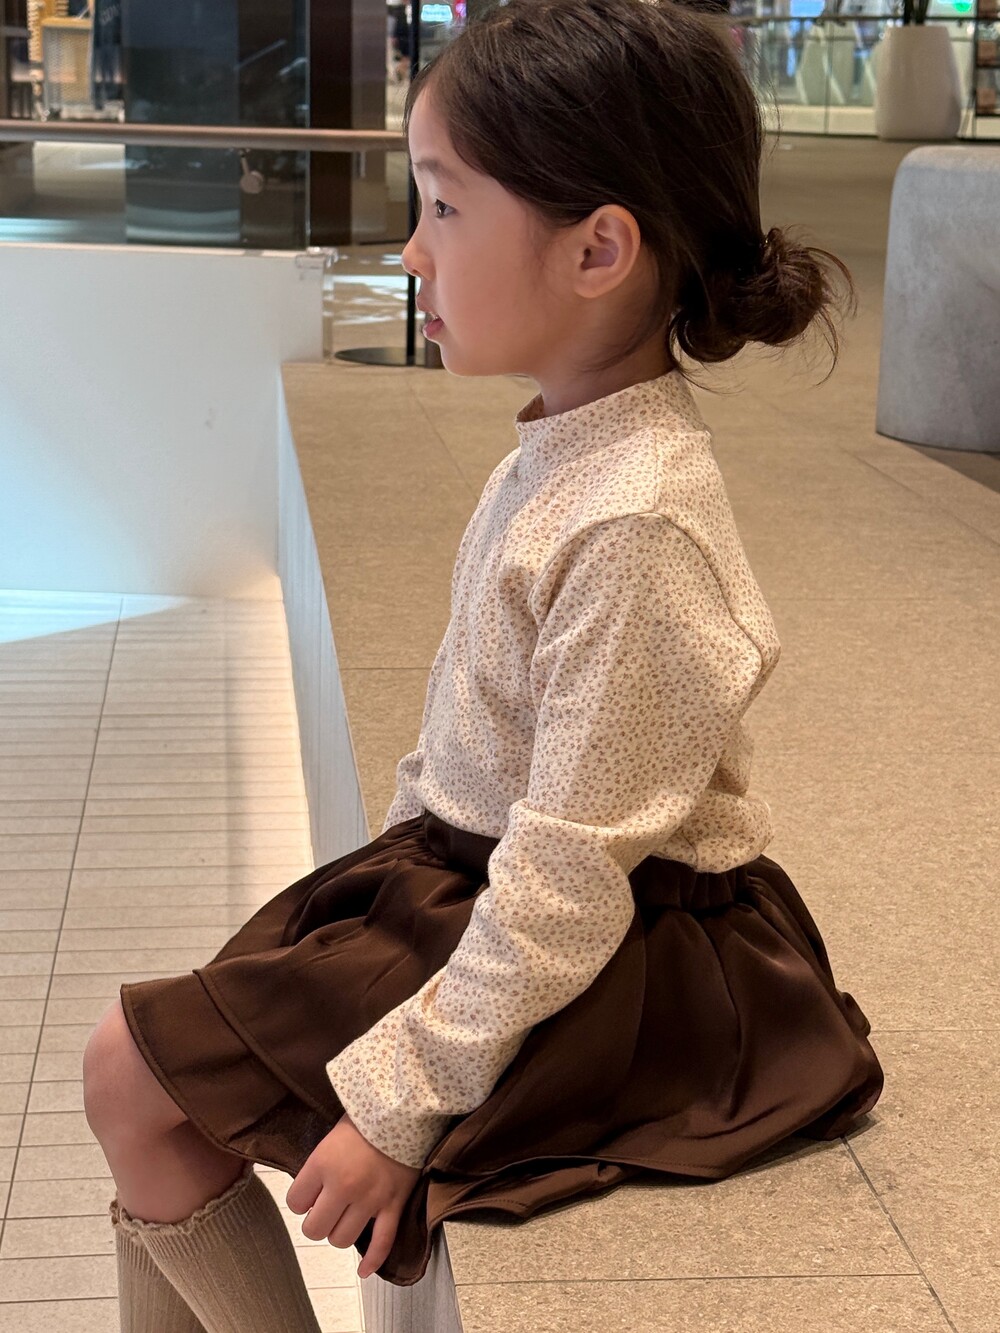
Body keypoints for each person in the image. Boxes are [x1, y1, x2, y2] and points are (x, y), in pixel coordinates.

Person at [82, 2, 884, 1327]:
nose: (411, 249)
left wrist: (399, 1102)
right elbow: (470, 732)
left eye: (446, 207)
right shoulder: (561, 456)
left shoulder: (636, 523)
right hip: (480, 879)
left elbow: (571, 878)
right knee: (139, 1075)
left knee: (136, 1074)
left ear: (598, 249)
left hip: (627, 956)